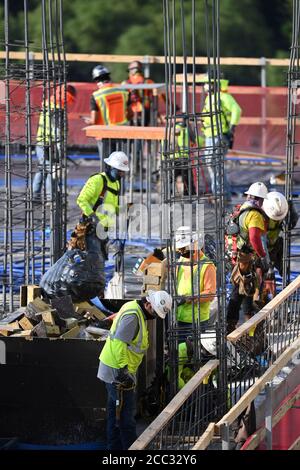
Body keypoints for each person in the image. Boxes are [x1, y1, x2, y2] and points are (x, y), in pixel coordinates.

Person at [97, 290, 172, 450]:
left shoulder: (135, 309)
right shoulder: (133, 316)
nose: (155, 317)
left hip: (115, 370)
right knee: (124, 419)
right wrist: (123, 371)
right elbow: (119, 343)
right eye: (155, 312)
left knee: (115, 415)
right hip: (118, 373)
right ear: (148, 304)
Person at [76, 151, 129, 296]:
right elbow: (81, 200)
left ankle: (95, 292)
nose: (122, 175)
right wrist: (92, 216)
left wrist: (123, 210)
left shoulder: (116, 183)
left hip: (103, 230)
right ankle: (89, 292)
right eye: (120, 171)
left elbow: (111, 206)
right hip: (90, 229)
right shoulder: (98, 180)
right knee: (93, 261)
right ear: (112, 168)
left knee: (100, 261)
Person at [226, 182, 269, 333]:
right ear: (261, 199)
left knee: (246, 286)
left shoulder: (243, 208)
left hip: (238, 253)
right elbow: (254, 238)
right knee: (241, 288)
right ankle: (231, 325)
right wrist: (262, 255)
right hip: (245, 256)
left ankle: (247, 322)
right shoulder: (255, 214)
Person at [33, 83, 76, 201]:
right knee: (52, 171)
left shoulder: (48, 103)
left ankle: (35, 196)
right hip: (50, 144)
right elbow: (56, 132)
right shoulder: (57, 109)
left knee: (43, 169)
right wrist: (60, 150)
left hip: (41, 142)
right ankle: (50, 199)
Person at [202, 77, 241, 202]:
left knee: (214, 163)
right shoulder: (210, 98)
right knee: (215, 165)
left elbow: (237, 110)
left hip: (218, 135)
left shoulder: (223, 97)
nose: (205, 85)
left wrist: (232, 128)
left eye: (207, 83)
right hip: (210, 134)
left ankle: (219, 194)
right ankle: (223, 195)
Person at [175, 226, 216, 336]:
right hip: (179, 316)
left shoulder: (207, 266)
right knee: (179, 350)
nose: (180, 252)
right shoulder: (182, 260)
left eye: (183, 249)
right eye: (180, 249)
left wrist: (189, 298)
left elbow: (210, 294)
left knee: (190, 351)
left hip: (196, 321)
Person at [86, 65, 129, 161]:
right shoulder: (123, 91)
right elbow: (130, 113)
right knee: (121, 163)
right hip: (123, 132)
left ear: (97, 81)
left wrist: (88, 121)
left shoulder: (96, 95)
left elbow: (94, 120)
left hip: (105, 134)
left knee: (107, 163)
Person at [263, 191, 298, 276]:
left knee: (280, 248)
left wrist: (292, 213)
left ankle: (283, 271)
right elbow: (260, 242)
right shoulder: (259, 215)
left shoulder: (282, 206)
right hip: (261, 250)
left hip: (274, 245)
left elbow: (291, 224)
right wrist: (268, 265)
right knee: (264, 275)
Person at [123, 60, 155, 126]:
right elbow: (159, 95)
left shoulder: (125, 83)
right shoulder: (148, 81)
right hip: (143, 110)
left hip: (132, 111)